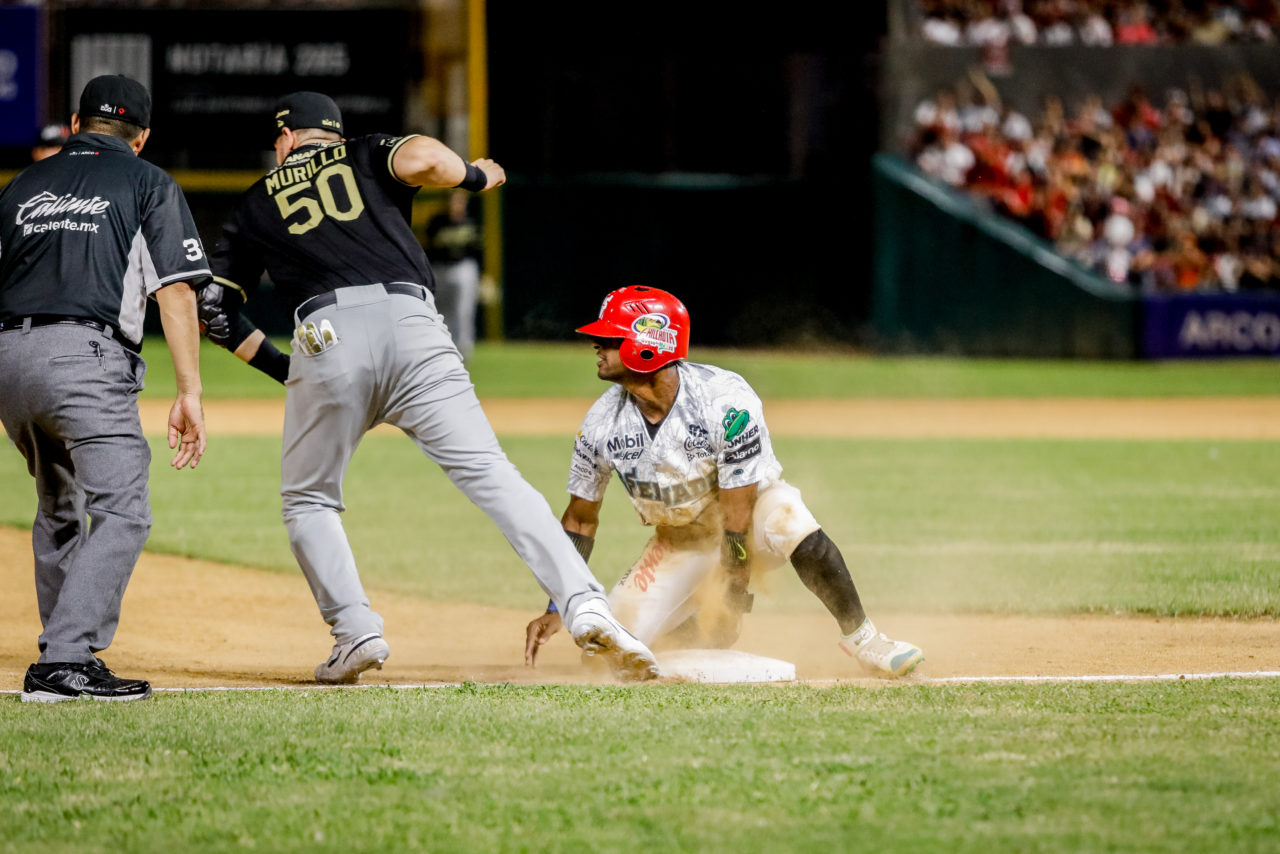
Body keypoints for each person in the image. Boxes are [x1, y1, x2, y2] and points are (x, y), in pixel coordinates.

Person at [198, 91, 658, 684]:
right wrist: (472, 175)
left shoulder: (255, 201)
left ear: (284, 139)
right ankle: (585, 603)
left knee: (308, 500)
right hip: (415, 325)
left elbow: (216, 313)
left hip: (325, 336)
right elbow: (424, 159)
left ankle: (355, 632)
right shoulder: (364, 152)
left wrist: (288, 370)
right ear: (333, 136)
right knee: (493, 475)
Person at [524, 286, 924, 678]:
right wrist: (558, 605)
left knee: (788, 516)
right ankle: (699, 631)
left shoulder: (724, 400)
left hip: (749, 523)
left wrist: (733, 589)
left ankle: (864, 639)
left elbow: (738, 509)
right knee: (601, 658)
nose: (596, 345)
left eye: (609, 337)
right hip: (677, 541)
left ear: (647, 345)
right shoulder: (600, 424)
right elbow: (579, 521)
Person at [0, 74, 209, 703]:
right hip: (84, 360)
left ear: (73, 125)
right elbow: (174, 288)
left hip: (8, 358)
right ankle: (64, 659)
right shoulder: (148, 182)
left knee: (58, 502)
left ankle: (67, 652)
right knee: (123, 506)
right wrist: (190, 391)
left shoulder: (22, 186)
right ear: (140, 136)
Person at [424, 190, 484, 362]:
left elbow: (478, 251)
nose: (456, 204)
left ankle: (464, 352)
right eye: (454, 200)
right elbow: (428, 248)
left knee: (464, 311)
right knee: (440, 310)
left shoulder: (471, 222)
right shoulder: (437, 222)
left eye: (460, 201)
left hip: (464, 267)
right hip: (440, 269)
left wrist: (483, 277)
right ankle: (442, 349)